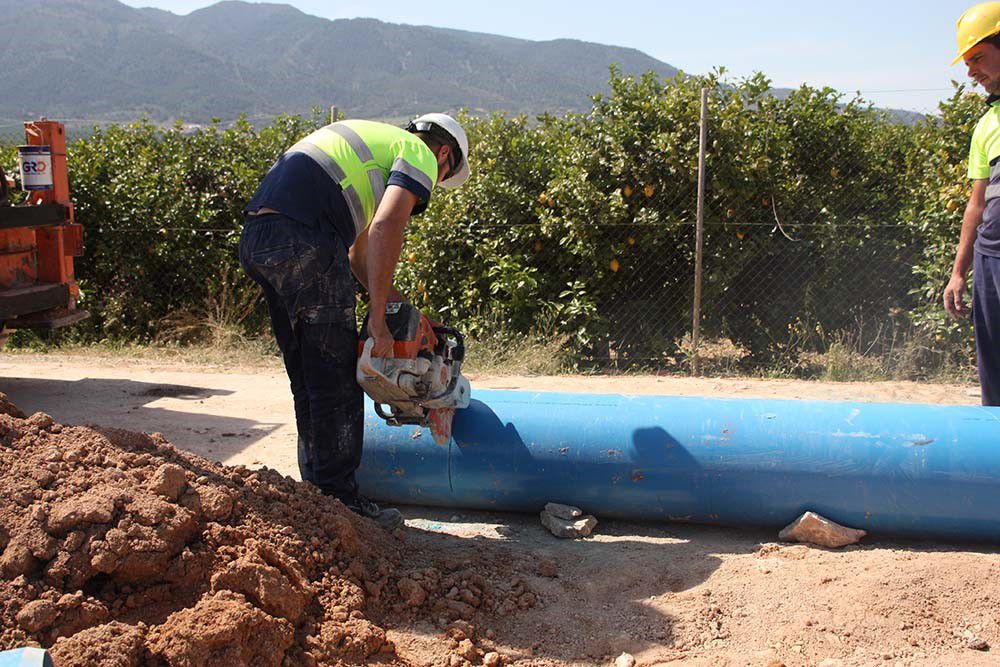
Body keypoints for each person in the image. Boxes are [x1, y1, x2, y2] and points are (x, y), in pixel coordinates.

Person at [239, 114, 470, 528]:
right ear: (443, 154)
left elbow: (358, 257)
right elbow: (387, 227)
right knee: (336, 380)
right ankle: (341, 503)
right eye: (444, 175)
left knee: (309, 377)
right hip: (307, 237)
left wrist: (402, 310)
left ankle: (316, 495)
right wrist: (377, 321)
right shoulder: (418, 153)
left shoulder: (373, 156)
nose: (432, 185)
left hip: (261, 238)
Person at [945, 2, 1000, 406]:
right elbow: (976, 205)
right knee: (994, 376)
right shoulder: (986, 124)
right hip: (990, 260)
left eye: (977, 58)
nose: (970, 73)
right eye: (966, 63)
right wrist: (958, 272)